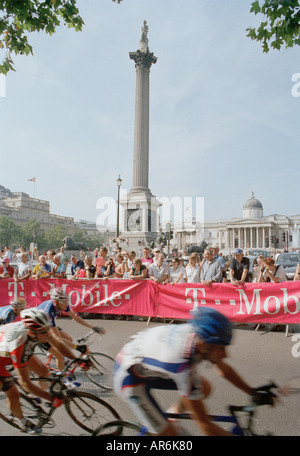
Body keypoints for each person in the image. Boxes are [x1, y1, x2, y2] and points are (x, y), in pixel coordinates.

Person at [113, 307, 273, 436]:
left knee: (204, 387)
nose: (225, 354)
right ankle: (160, 428)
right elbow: (205, 426)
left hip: (145, 363)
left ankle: (169, 418)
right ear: (204, 344)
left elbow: (222, 368)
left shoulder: (199, 334)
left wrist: (251, 391)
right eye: (221, 348)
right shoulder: (181, 364)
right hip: (129, 379)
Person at [0, 307, 89, 433]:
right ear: (32, 333)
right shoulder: (18, 346)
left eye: (48, 329)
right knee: (13, 392)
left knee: (43, 371)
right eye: (44, 332)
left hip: (10, 345)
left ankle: (43, 393)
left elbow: (57, 344)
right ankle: (23, 422)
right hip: (5, 355)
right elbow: (25, 383)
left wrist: (77, 360)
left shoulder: (38, 329)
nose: (48, 334)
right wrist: (51, 398)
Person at [38, 287, 104, 370]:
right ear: (55, 302)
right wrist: (78, 347)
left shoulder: (62, 304)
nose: (66, 304)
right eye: (63, 302)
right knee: (60, 355)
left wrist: (93, 327)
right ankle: (62, 380)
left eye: (67, 301)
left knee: (69, 339)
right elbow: (58, 339)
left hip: (47, 324)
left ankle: (58, 355)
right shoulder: (48, 312)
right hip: (39, 330)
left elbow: (76, 318)